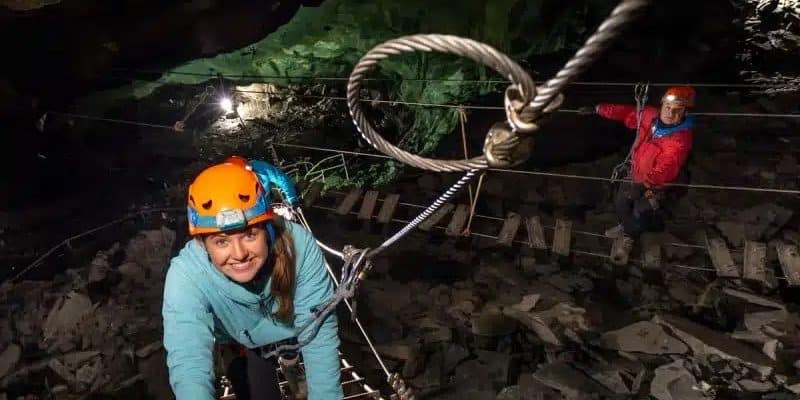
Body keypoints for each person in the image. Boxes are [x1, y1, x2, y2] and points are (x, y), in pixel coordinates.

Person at [162, 157, 343, 400]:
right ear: (201, 243)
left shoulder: (297, 246)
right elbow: (188, 357)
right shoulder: (186, 275)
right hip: (242, 342)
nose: (239, 255)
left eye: (249, 234)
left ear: (267, 229)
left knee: (290, 350)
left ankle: (290, 363)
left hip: (293, 329)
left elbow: (318, 331)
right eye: (221, 241)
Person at [578, 86, 695, 260]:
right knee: (621, 202)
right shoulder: (649, 116)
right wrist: (598, 109)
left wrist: (644, 185)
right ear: (662, 105)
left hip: (656, 185)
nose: (670, 114)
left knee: (641, 211)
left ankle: (629, 237)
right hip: (635, 174)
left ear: (685, 112)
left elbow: (667, 167)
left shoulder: (679, 140)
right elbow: (627, 112)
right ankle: (625, 226)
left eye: (678, 110)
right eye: (668, 108)